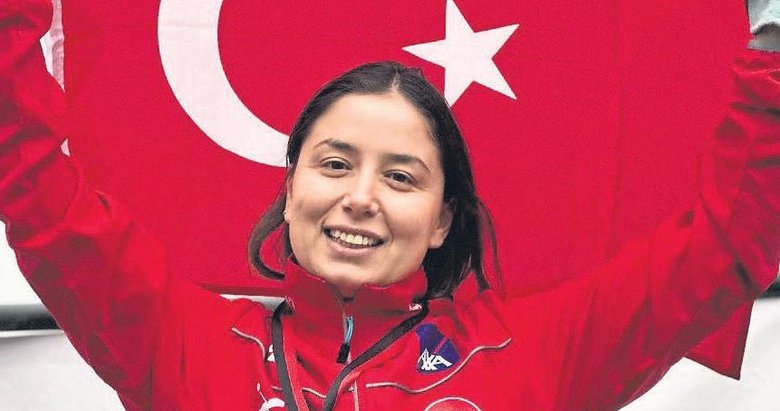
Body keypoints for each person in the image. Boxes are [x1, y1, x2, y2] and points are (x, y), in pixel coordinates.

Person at [1, 0, 778, 410]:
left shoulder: (534, 355)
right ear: (291, 186)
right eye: (335, 164)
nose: (361, 197)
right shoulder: (185, 346)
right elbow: (38, 195)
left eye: (402, 177)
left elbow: (729, 241)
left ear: (444, 219)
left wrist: (772, 41)